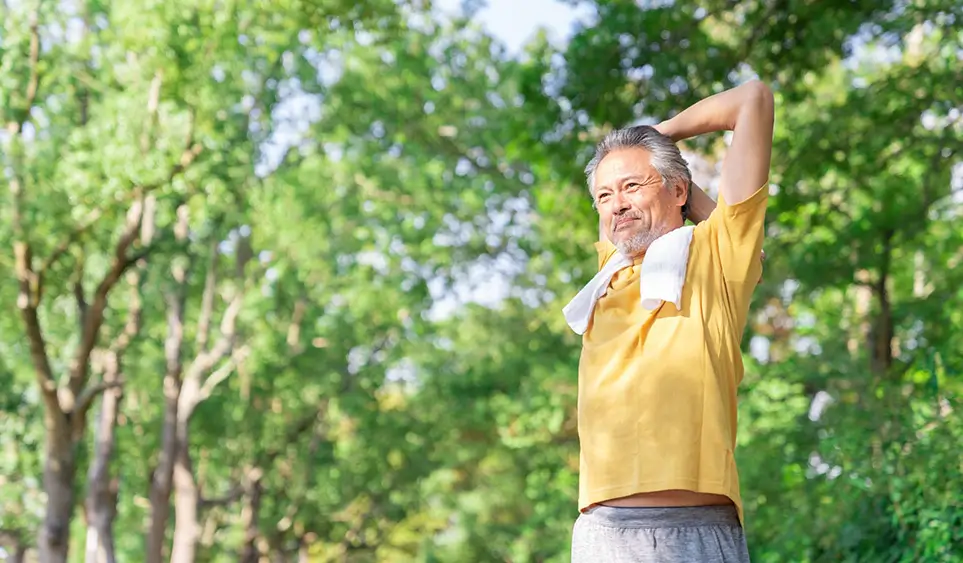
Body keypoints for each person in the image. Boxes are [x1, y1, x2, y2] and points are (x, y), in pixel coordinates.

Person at [566, 80, 774, 562]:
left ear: (679, 189)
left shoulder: (715, 261)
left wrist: (656, 135)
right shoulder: (608, 271)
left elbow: (753, 100)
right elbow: (629, 215)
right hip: (601, 536)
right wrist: (641, 167)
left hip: (692, 533)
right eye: (603, 195)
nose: (616, 204)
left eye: (632, 186)